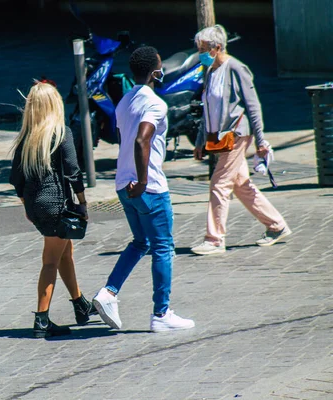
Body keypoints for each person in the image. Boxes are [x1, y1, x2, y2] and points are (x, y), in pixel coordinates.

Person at [92, 46, 195, 332]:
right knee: (163, 246)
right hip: (146, 187)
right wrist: (144, 180)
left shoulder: (125, 100)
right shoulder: (156, 104)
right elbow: (142, 140)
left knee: (141, 242)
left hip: (122, 184)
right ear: (155, 72)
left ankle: (108, 293)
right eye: (161, 66)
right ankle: (161, 314)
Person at [191, 25, 291, 256]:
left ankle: (215, 239)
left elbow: (253, 106)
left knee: (219, 184)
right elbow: (207, 109)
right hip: (219, 137)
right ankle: (277, 226)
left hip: (236, 136)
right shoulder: (210, 71)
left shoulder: (236, 68)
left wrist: (261, 140)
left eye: (203, 49)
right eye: (199, 49)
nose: (200, 53)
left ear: (217, 48)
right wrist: (199, 142)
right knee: (241, 185)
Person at [9, 80, 96, 338]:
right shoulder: (61, 132)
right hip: (56, 205)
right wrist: (82, 203)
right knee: (50, 260)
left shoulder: (27, 138)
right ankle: (42, 320)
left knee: (65, 253)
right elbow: (73, 171)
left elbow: (16, 178)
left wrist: (27, 206)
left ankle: (81, 305)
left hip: (35, 204)